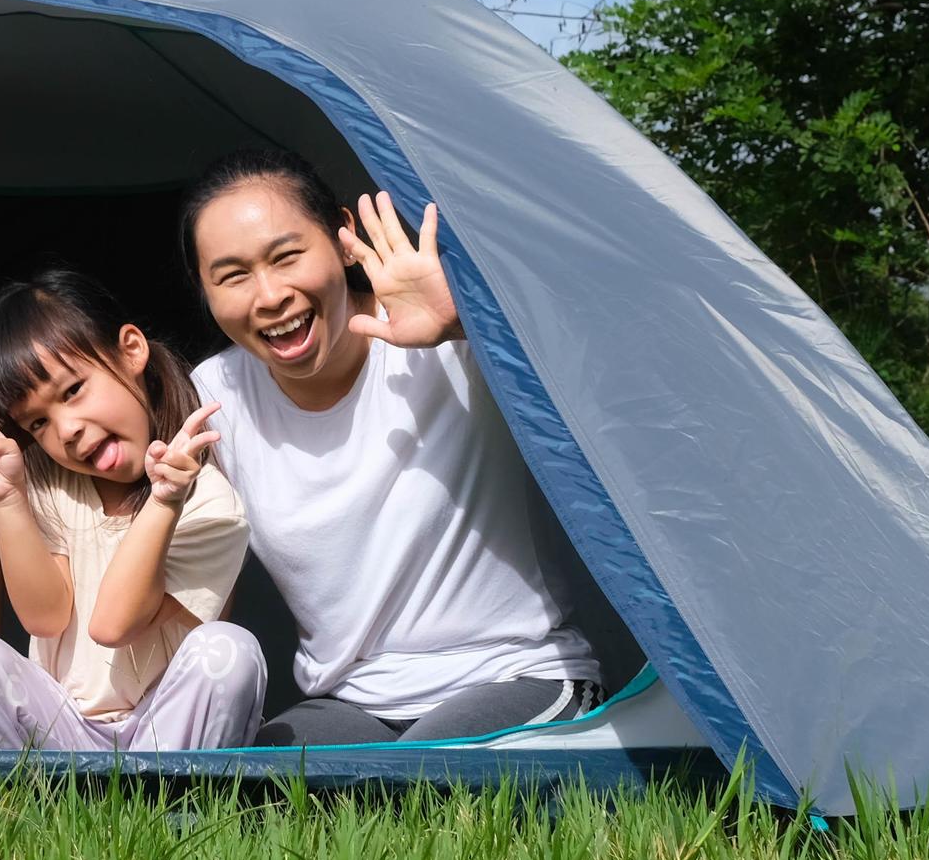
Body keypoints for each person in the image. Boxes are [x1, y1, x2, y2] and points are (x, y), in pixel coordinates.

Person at [181, 149, 640, 744]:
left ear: (343, 237)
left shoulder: (456, 342)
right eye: (233, 275)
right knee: (251, 797)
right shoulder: (215, 396)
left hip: (515, 674)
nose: (268, 295)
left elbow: (622, 386)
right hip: (351, 705)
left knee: (423, 788)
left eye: (287, 256)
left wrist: (471, 325)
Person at [0, 270, 265, 753]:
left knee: (230, 651)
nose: (68, 430)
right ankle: (15, 818)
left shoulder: (208, 502)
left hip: (165, 736)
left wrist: (163, 502)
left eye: (73, 390)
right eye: (38, 422)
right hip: (62, 732)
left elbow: (112, 625)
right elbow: (45, 617)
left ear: (131, 349)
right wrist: (8, 501)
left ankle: (182, 815)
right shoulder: (45, 481)